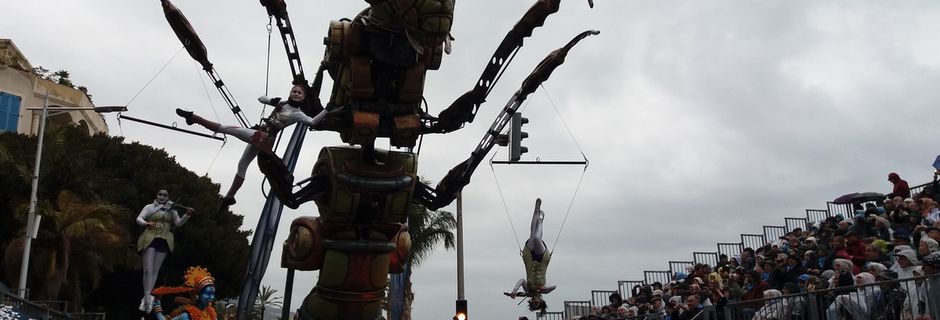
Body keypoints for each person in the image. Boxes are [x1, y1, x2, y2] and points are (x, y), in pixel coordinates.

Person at [175, 83, 327, 206]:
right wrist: (273, 100)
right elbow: (260, 99)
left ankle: (193, 118)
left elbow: (312, 122)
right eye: (294, 91)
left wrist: (326, 110)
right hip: (260, 134)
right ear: (290, 92)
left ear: (303, 98)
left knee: (228, 129)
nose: (296, 93)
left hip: (265, 137)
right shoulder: (282, 104)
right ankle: (230, 197)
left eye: (299, 93)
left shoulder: (297, 113)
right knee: (242, 165)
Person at [137, 189, 194, 312]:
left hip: (164, 240)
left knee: (155, 271)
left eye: (165, 195)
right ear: (156, 196)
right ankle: (147, 299)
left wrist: (187, 215)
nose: (162, 197)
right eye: (160, 194)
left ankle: (146, 299)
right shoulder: (149, 207)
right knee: (148, 270)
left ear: (168, 197)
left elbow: (178, 223)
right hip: (150, 237)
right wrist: (146, 223)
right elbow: (139, 219)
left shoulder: (172, 209)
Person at [504, 198, 556, 313]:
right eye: (536, 303)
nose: (534, 301)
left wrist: (514, 291)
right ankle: (541, 221)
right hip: (542, 258)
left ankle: (536, 209)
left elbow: (522, 280)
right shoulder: (544, 291)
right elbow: (555, 286)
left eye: (532, 303)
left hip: (530, 258)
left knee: (532, 234)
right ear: (541, 301)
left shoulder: (528, 290)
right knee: (537, 239)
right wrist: (544, 288)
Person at [150, 266, 217, 320]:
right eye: (207, 293)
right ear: (197, 294)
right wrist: (157, 308)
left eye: (212, 294)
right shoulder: (189, 314)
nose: (211, 297)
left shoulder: (210, 313)